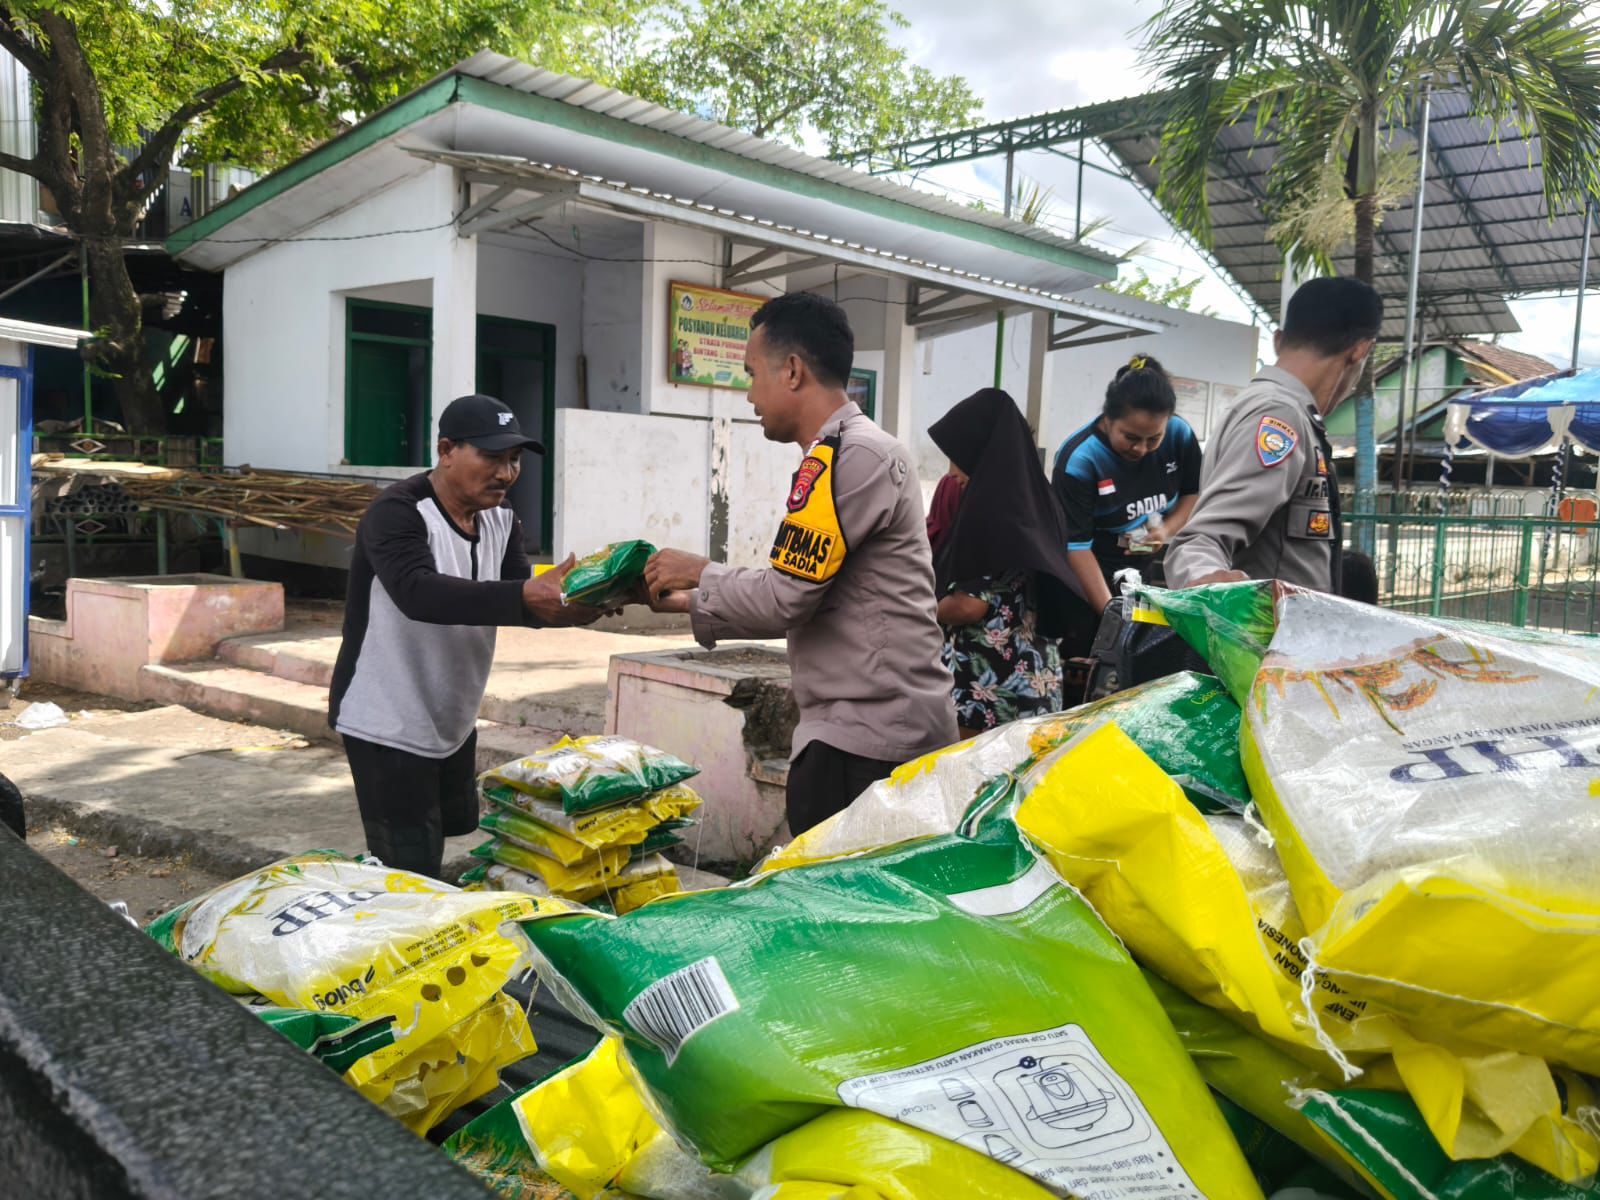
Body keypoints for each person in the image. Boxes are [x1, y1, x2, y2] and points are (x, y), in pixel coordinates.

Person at [643, 292, 956, 836]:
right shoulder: (840, 454)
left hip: (870, 743)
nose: (749, 394)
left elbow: (785, 597)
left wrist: (700, 572)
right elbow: (806, 597)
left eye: (751, 374)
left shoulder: (855, 456)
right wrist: (684, 600)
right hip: (864, 732)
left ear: (791, 371)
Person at [329, 394, 605, 879]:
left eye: (514, 459)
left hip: (452, 713)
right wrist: (527, 595)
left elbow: (518, 597)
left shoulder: (501, 516)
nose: (506, 473)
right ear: (446, 450)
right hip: (386, 720)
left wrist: (585, 600)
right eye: (492, 457)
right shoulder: (398, 512)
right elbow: (418, 593)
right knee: (408, 865)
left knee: (455, 829)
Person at [1166, 277, 1383, 592]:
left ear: (1278, 340)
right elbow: (1202, 538)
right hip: (1272, 625)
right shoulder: (1280, 415)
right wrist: (1204, 580)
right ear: (1361, 349)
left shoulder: (1270, 408)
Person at [929, 388, 1076, 737]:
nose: (951, 472)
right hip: (1037, 684)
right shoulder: (1039, 499)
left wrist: (917, 608)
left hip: (989, 692)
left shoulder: (987, 511)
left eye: (956, 456)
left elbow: (969, 605)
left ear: (979, 451)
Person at [1051, 354, 1203, 642]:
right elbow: (1076, 547)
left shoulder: (1179, 434)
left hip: (1137, 573)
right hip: (1087, 577)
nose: (1141, 449)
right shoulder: (1080, 458)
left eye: (1154, 439)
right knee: (1099, 649)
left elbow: (1191, 493)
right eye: (1131, 437)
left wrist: (1165, 530)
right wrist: (1114, 617)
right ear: (1108, 419)